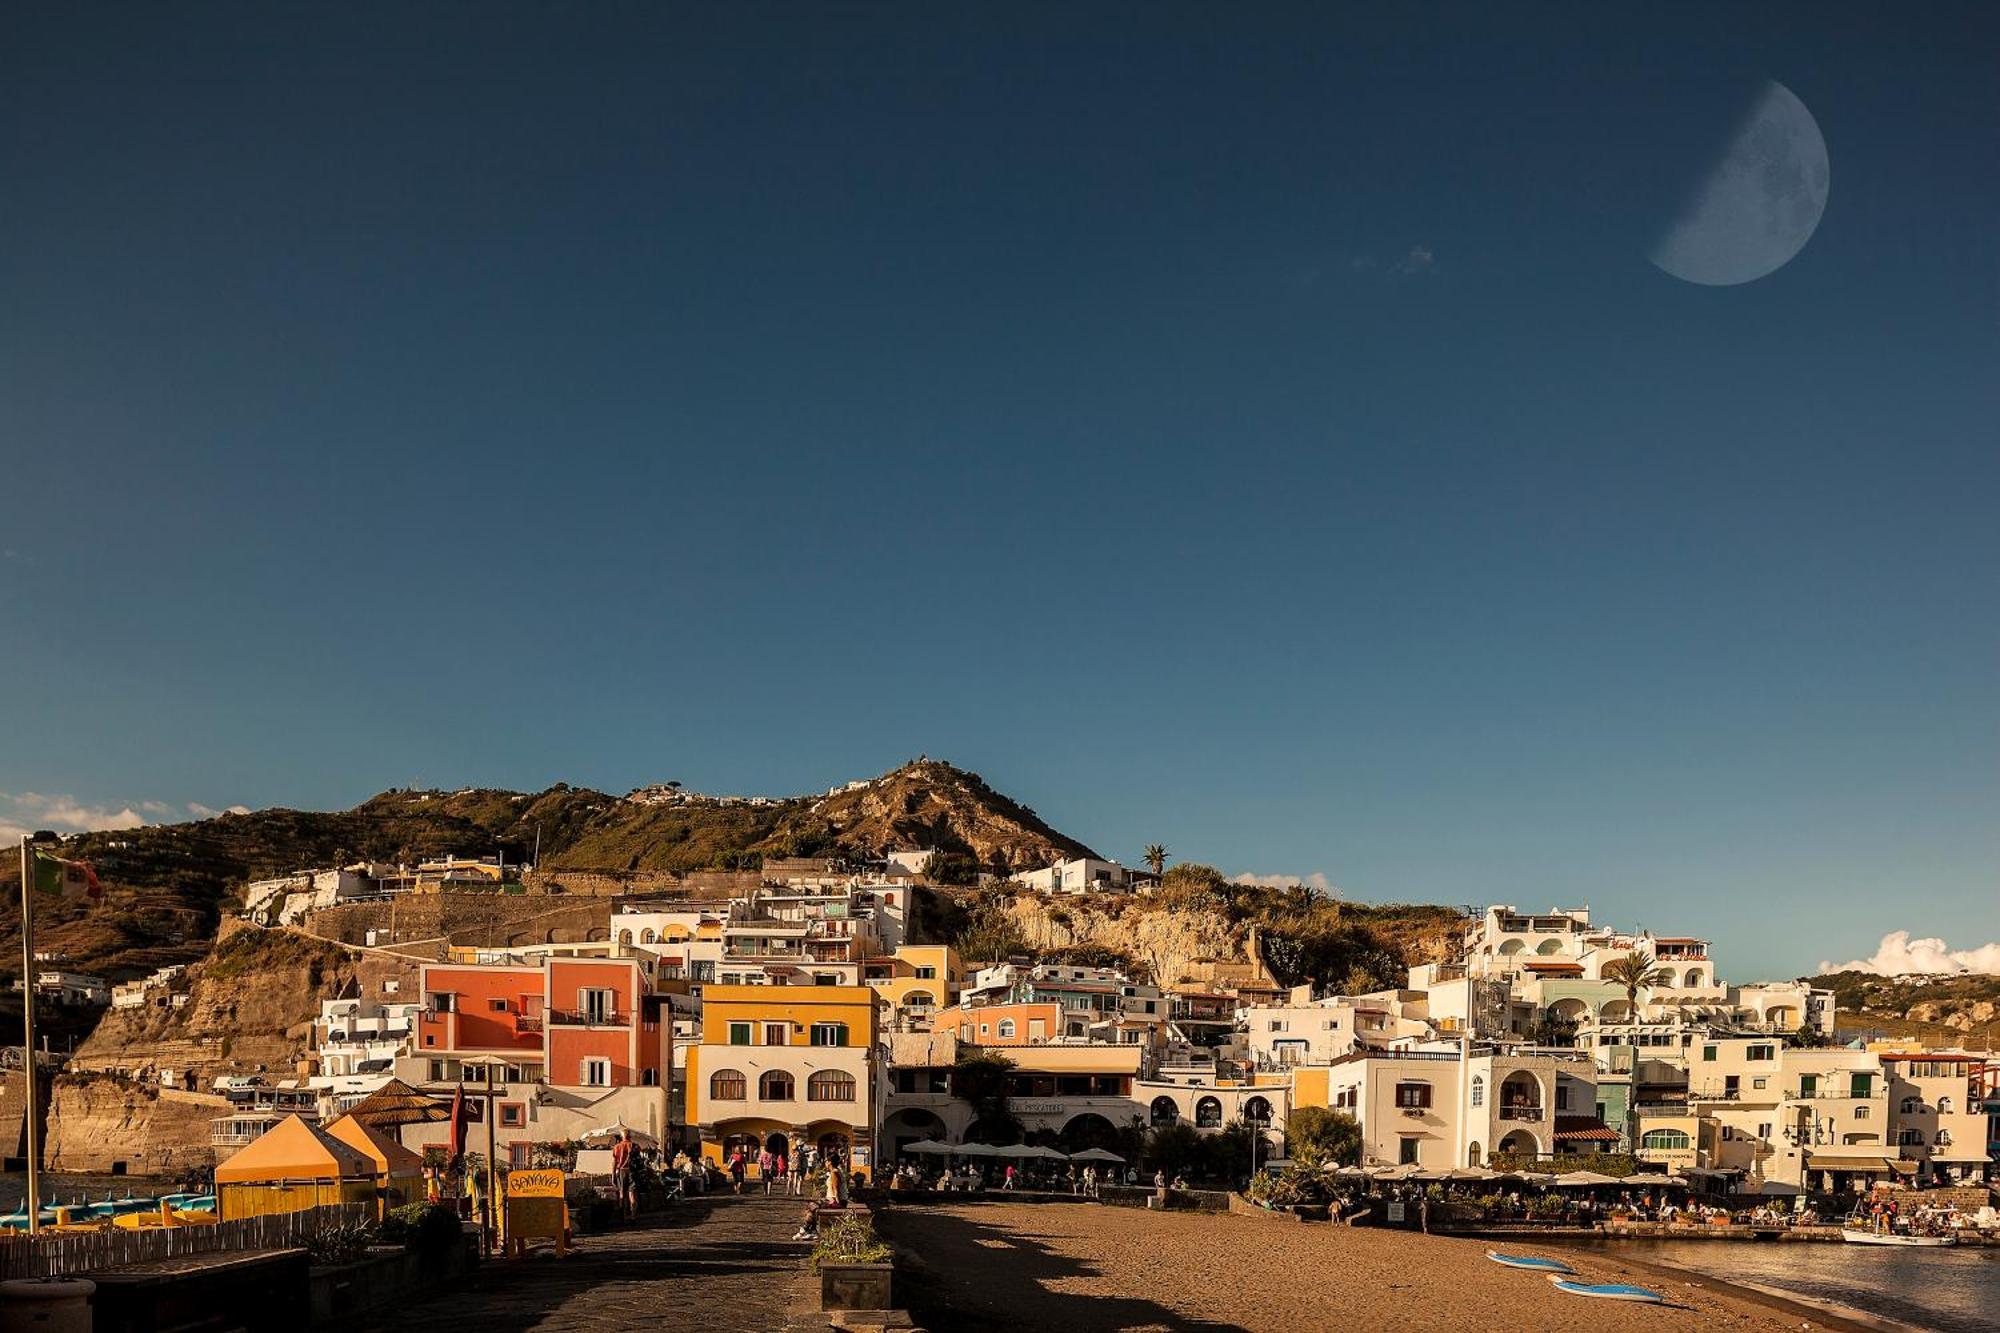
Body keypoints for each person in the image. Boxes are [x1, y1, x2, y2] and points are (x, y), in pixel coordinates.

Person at [611, 1129, 638, 1218]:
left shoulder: (617, 1147)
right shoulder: (634, 1146)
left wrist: (613, 1175)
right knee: (632, 1193)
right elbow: (639, 1159)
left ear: (622, 1136)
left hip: (621, 1171)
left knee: (622, 1193)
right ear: (629, 1136)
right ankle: (633, 1216)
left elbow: (614, 1162)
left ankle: (623, 1216)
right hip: (632, 1171)